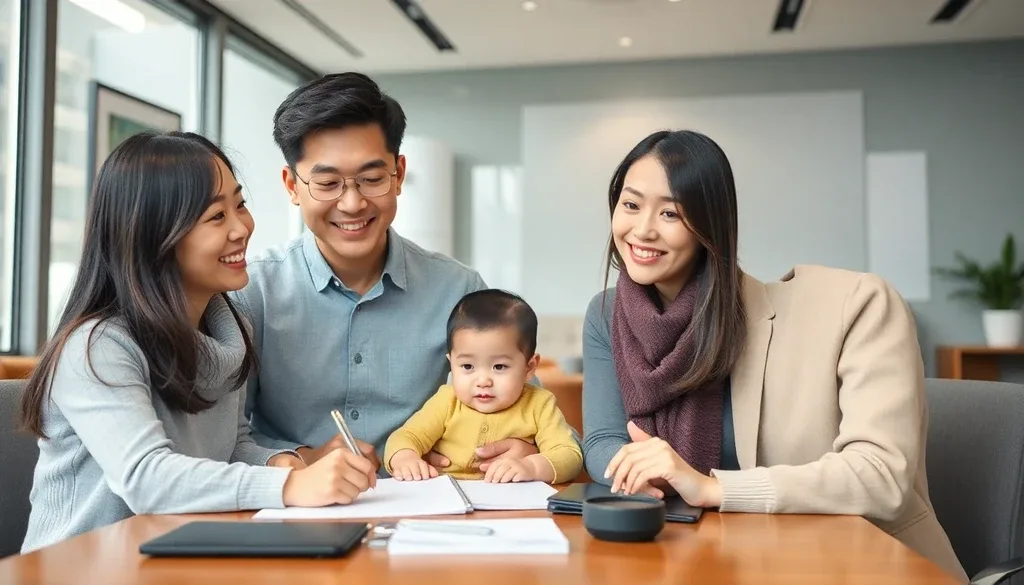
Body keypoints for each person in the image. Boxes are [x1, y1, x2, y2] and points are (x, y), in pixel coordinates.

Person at [582, 130, 967, 582]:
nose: (642, 229)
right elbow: (604, 439)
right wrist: (642, 473)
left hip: (853, 567)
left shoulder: (855, 306)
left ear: (711, 225)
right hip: (700, 562)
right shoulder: (607, 314)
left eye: (670, 212)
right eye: (630, 204)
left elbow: (881, 476)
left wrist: (711, 487)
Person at [18, 132, 376, 553]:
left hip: (173, 556)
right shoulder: (97, 347)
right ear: (155, 236)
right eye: (215, 217)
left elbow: (230, 446)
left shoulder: (227, 329)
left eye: (239, 205)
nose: (242, 228)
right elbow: (147, 479)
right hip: (80, 568)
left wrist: (293, 461)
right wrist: (291, 484)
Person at [231, 72, 540, 473]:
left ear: (398, 175)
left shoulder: (458, 290)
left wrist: (520, 447)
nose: (353, 203)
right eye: (327, 183)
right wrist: (300, 460)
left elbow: (530, 410)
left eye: (372, 178)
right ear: (292, 186)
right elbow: (225, 438)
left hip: (429, 511)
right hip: (295, 511)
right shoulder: (254, 292)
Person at [384, 289, 582, 483]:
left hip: (512, 505)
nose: (483, 381)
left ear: (529, 368)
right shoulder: (447, 400)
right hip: (448, 499)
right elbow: (406, 436)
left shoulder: (539, 404)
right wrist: (404, 457)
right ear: (451, 363)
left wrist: (532, 466)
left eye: (499, 366)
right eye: (468, 366)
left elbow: (568, 455)